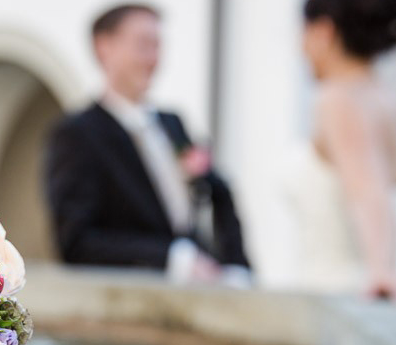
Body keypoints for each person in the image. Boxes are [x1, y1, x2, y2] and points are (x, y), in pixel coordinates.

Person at [44, 4, 250, 283]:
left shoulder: (172, 123)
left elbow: (219, 192)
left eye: (157, 46)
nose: (153, 58)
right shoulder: (77, 134)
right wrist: (171, 258)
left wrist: (236, 267)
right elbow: (77, 242)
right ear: (104, 47)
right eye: (143, 45)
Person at [285, 0, 396, 301]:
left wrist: (380, 270)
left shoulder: (338, 100)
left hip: (348, 297)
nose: (300, 48)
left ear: (323, 32)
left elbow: (368, 190)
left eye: (303, 34)